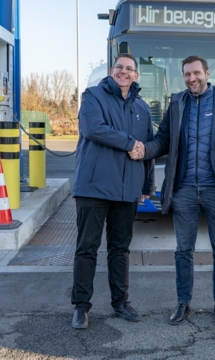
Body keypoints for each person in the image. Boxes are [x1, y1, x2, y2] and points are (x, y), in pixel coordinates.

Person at [129, 55, 215, 325]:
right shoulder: (177, 104)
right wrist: (143, 150)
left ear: (207, 74)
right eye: (187, 74)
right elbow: (163, 139)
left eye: (196, 73)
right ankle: (183, 303)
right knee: (183, 250)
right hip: (184, 190)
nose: (192, 78)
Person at [71, 53, 154, 329]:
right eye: (119, 67)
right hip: (93, 187)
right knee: (87, 248)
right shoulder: (93, 96)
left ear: (136, 75)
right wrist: (130, 143)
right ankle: (81, 307)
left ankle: (120, 302)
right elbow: (93, 129)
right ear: (111, 70)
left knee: (120, 250)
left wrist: (147, 185)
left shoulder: (142, 107)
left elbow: (147, 148)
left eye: (129, 68)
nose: (123, 71)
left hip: (127, 190)